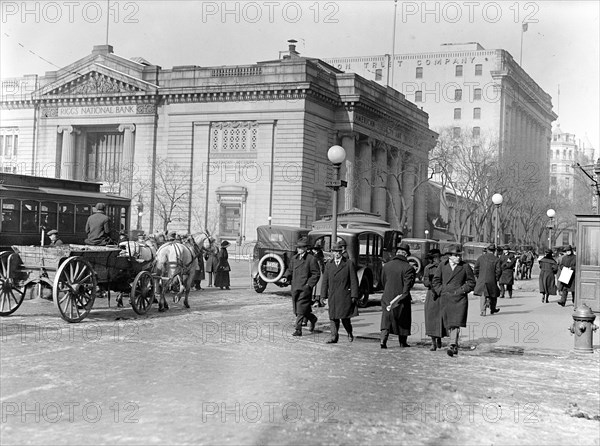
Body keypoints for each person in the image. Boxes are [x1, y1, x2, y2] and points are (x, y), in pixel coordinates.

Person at [432, 244, 476, 357]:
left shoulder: (465, 266)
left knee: (455, 323)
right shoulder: (442, 266)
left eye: (459, 255)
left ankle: (452, 344)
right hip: (445, 298)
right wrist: (441, 290)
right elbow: (436, 281)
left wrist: (462, 290)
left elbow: (471, 282)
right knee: (448, 323)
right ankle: (454, 344)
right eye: (456, 255)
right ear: (450, 256)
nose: (458, 258)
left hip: (459, 299)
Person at [321, 242, 359, 344]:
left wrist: (354, 295)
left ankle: (349, 332)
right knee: (333, 317)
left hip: (344, 295)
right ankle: (334, 337)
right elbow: (325, 281)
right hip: (333, 295)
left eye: (338, 252)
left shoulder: (348, 263)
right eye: (334, 252)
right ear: (332, 253)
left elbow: (354, 280)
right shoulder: (329, 264)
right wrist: (323, 295)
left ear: (341, 252)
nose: (336, 254)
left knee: (345, 318)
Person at [380, 242, 416, 349]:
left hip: (387, 295)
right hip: (401, 298)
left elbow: (383, 281)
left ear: (397, 253)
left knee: (386, 319)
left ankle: (383, 340)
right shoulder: (408, 268)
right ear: (405, 254)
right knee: (403, 320)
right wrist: (404, 295)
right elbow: (408, 285)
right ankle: (402, 342)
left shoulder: (387, 265)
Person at [282, 238, 321, 337]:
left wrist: (309, 285)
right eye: (298, 248)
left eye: (301, 248)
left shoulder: (311, 259)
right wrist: (285, 277)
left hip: (305, 289)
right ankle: (312, 319)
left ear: (306, 248)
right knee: (299, 309)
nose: (299, 249)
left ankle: (298, 329)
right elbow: (290, 270)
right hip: (295, 287)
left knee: (300, 309)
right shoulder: (294, 258)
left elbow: (316, 274)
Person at [423, 248, 445, 351]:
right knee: (431, 318)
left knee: (441, 318)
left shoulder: (444, 267)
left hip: (441, 294)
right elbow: (425, 281)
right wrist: (432, 286)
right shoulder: (428, 268)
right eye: (434, 258)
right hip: (432, 295)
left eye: (437, 258)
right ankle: (433, 342)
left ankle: (439, 338)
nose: (437, 260)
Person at [474, 243, 502, 317]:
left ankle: (483, 311)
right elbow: (498, 271)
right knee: (493, 294)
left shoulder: (480, 258)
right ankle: (492, 309)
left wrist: (479, 277)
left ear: (487, 250)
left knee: (483, 295)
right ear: (494, 251)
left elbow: (476, 269)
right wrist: (496, 279)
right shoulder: (496, 259)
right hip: (492, 280)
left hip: (482, 279)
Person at [311, 239, 326, 307]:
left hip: (318, 273)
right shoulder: (320, 255)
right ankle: (319, 300)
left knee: (317, 288)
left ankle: (316, 300)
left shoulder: (315, 257)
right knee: (319, 287)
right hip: (321, 272)